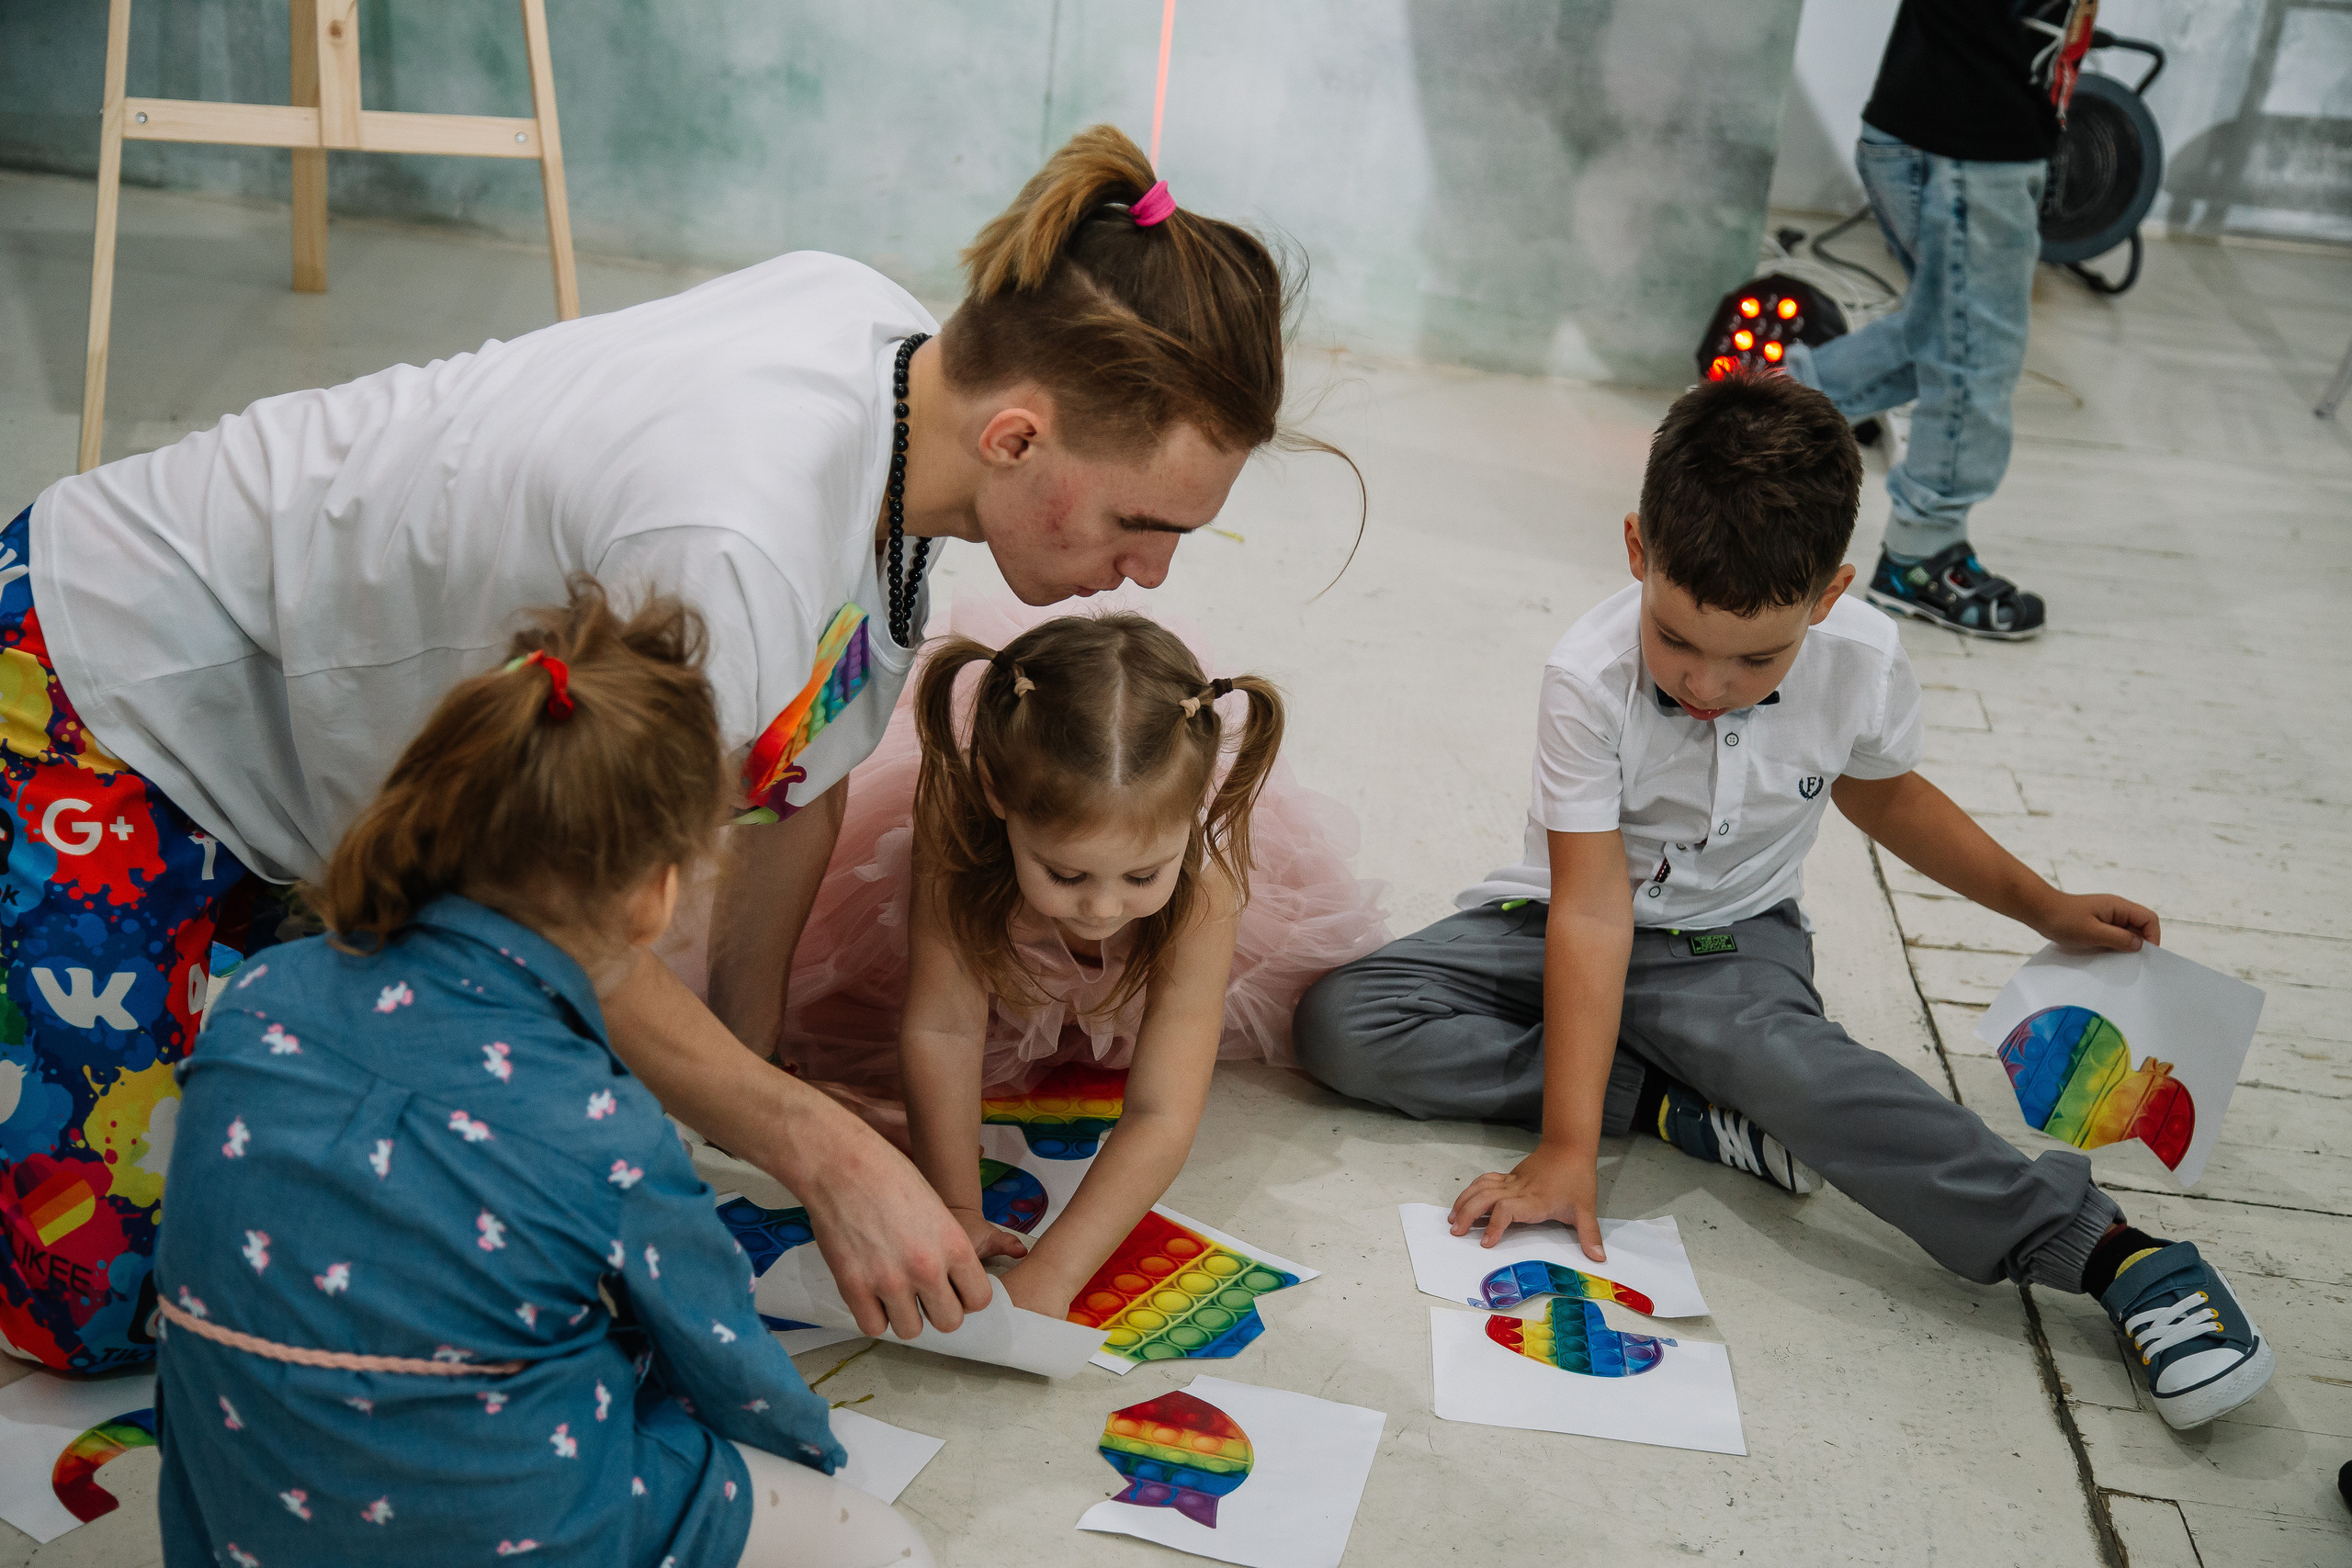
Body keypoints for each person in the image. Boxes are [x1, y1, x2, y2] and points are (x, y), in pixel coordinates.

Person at [1, 123, 1299, 1369]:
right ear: (1017, 434)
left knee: (385, 1167)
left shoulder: (902, 363)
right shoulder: (734, 544)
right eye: (1141, 519)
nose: (1149, 571)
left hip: (343, 766)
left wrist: (752, 1070)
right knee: (121, 1306)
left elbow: (804, 768)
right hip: (105, 684)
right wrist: (814, 1149)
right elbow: (561, 920)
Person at [1294, 375, 2277, 1432]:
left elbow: (1889, 796)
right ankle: (1679, 1107)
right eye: (1675, 642)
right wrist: (1568, 1150)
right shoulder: (1584, 675)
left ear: (1828, 593)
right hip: (1554, 921)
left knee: (1808, 1077)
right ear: (1637, 551)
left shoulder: (1861, 660)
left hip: (1731, 947)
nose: (1708, 683)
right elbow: (1587, 910)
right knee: (1341, 1023)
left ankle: (2113, 1255)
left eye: (1757, 658)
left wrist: (2043, 909)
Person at [154, 582, 933, 1567]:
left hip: (239, 1514)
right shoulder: (600, 1124)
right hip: (506, 1521)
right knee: (888, 1548)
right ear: (656, 893)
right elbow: (720, 1354)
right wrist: (813, 1452)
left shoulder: (256, 999)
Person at [684, 600, 1382, 1320]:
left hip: (1172, 942)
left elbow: (1161, 1110)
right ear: (996, 796)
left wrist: (1058, 1269)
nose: (1103, 908)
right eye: (1067, 874)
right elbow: (944, 1030)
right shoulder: (958, 841)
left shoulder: (1204, 886)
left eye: (1141, 875)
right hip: (987, 907)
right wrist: (955, 1204)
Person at [1781, 0, 2071, 639]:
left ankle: (1761, 412)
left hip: (1958, 124)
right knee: (1975, 355)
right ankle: (1922, 554)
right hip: (1966, 133)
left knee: (1942, 333)